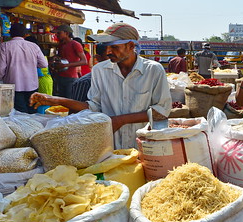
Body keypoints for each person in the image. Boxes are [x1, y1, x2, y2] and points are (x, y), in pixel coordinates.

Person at [30, 22, 172, 149]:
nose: (109, 52)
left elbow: (162, 111)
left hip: (144, 145)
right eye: (107, 47)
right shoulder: (100, 70)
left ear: (131, 46)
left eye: (114, 47)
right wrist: (55, 100)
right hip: (110, 145)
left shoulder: (153, 70)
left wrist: (121, 120)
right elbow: (93, 107)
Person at [0, 23, 48, 113]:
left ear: (10, 33)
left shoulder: (4, 46)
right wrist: (32, 64)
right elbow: (44, 64)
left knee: (19, 114)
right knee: (32, 112)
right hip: (32, 85)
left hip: (14, 86)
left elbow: (0, 69)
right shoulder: (34, 46)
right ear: (25, 34)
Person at [51, 25, 87, 98]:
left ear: (66, 33)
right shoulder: (61, 45)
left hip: (71, 78)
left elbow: (84, 61)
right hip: (60, 76)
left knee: (69, 100)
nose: (57, 35)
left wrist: (65, 65)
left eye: (59, 33)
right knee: (61, 100)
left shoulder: (75, 44)